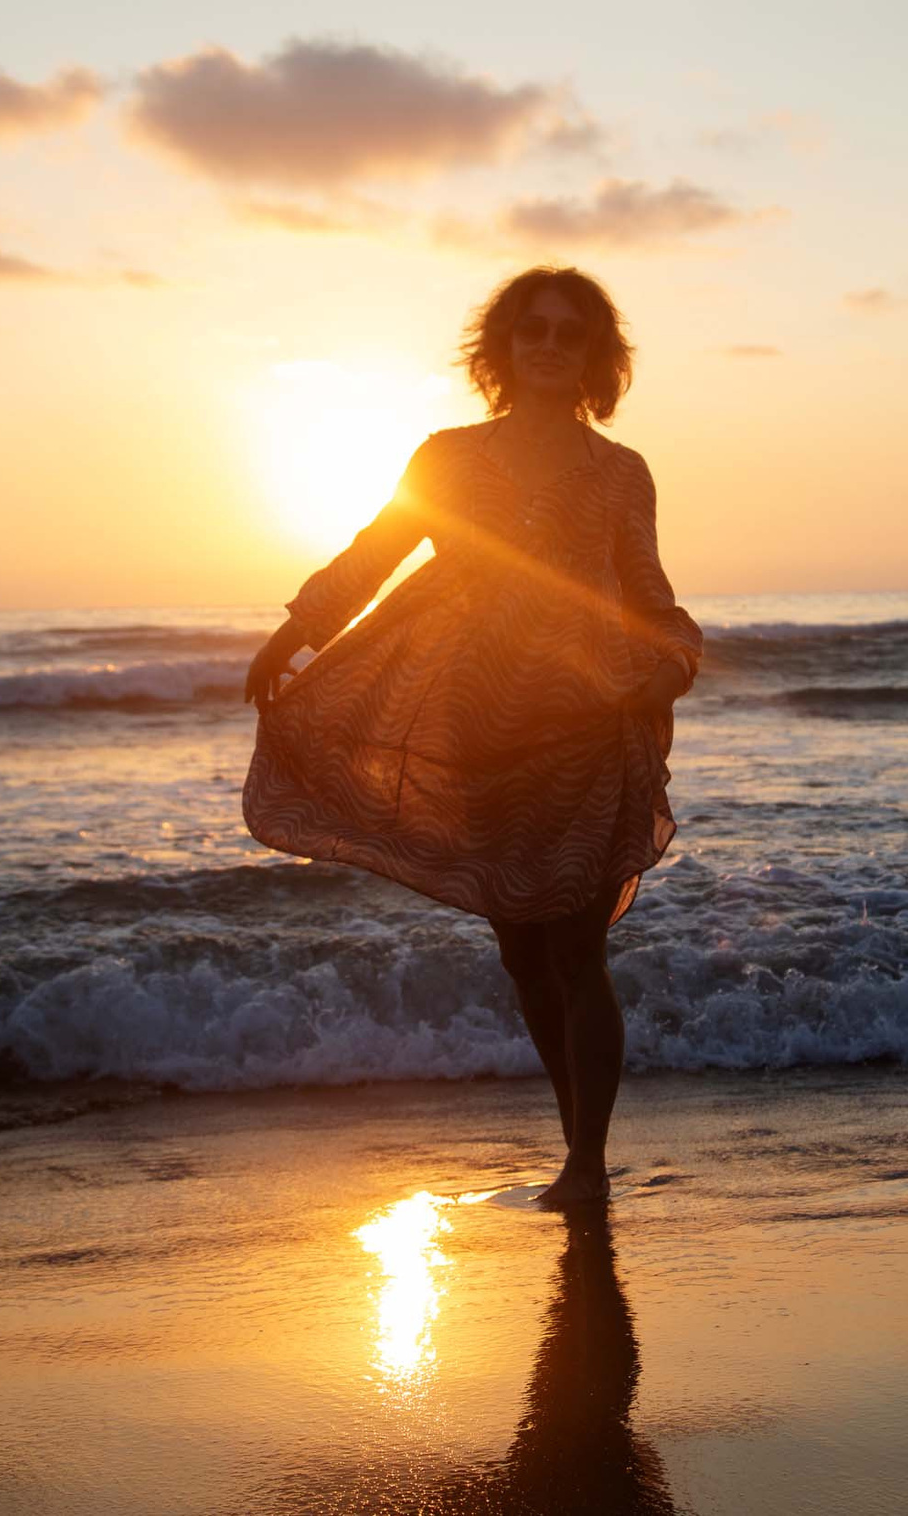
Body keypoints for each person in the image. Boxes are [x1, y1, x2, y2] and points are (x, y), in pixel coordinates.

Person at [242, 266, 702, 1208]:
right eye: (532, 328)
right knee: (523, 951)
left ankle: (587, 1165)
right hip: (480, 731)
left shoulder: (620, 473)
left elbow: (649, 592)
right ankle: (576, 1143)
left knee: (577, 950)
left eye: (568, 332)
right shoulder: (447, 458)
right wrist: (294, 634)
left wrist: (672, 662)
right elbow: (376, 552)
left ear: (594, 354)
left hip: (588, 722)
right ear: (504, 345)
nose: (548, 344)